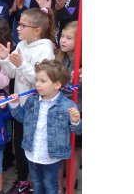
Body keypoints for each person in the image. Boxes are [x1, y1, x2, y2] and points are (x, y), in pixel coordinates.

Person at [0, 8, 56, 194]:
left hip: (35, 108)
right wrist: (5, 57)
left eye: (22, 25)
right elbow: (12, 73)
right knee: (19, 143)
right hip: (20, 106)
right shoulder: (21, 44)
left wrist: (20, 64)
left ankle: (36, 183)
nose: (18, 28)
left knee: (32, 145)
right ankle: (22, 180)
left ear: (36, 30)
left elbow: (40, 80)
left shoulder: (45, 48)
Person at [7, 59, 81, 194]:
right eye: (37, 80)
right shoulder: (32, 101)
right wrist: (15, 104)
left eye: (43, 81)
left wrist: (76, 121)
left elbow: (77, 131)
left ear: (57, 84)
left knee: (50, 184)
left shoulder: (67, 105)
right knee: (37, 183)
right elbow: (22, 118)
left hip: (51, 156)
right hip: (32, 152)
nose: (37, 84)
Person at [55, 21, 82, 193]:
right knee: (59, 152)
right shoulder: (59, 59)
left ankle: (70, 184)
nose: (63, 40)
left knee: (73, 152)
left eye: (68, 38)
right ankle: (57, 188)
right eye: (62, 36)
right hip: (60, 110)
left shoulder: (82, 64)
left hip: (77, 110)